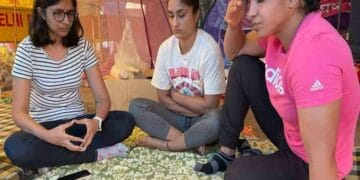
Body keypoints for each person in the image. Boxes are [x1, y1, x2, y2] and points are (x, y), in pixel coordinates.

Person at [195, 0, 360, 179]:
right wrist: (234, 24)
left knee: (238, 175)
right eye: (249, 2)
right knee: (242, 68)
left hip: (313, 162)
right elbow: (236, 51)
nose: (250, 13)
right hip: (292, 136)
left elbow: (322, 161)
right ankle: (227, 151)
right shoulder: (280, 32)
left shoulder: (315, 55)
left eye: (261, 1)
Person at [4, 0, 135, 175]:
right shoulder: (27, 50)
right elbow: (19, 113)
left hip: (78, 122)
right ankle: (96, 153)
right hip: (45, 128)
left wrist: (96, 122)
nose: (66, 21)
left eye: (70, 13)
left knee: (125, 121)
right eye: (58, 13)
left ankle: (51, 158)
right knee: (15, 146)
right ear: (42, 13)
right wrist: (50, 136)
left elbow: (102, 99)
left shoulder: (83, 46)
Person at [129, 0, 225, 154]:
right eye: (171, 16)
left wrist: (175, 95)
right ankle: (190, 142)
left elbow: (211, 106)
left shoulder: (209, 50)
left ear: (196, 14)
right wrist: (196, 106)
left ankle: (165, 144)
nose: (175, 23)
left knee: (218, 118)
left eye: (181, 15)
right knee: (136, 106)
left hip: (201, 122)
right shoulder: (166, 49)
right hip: (174, 120)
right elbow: (162, 98)